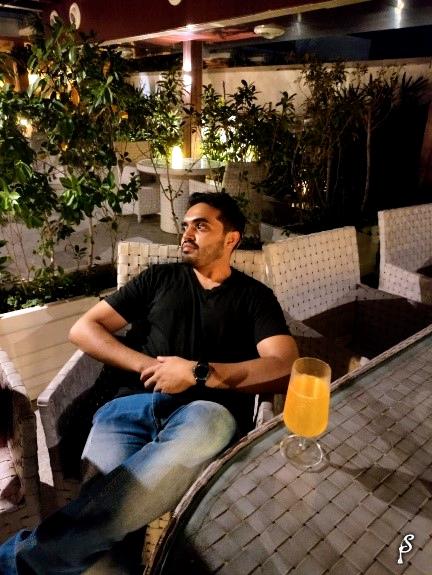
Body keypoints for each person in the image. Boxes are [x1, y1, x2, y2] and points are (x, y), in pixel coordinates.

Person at [0, 192, 298, 574]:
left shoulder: (254, 297)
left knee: (200, 434)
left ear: (231, 238)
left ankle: (16, 561)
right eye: (185, 225)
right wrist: (150, 367)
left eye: (201, 226)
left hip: (204, 412)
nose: (186, 233)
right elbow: (83, 328)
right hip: (125, 409)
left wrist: (198, 372)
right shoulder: (159, 278)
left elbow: (285, 365)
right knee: (106, 542)